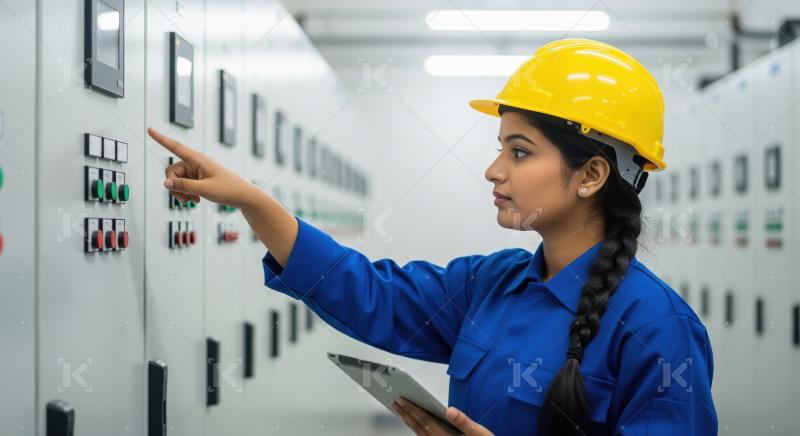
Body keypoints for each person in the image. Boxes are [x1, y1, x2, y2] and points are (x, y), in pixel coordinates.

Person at [149, 38, 718, 436]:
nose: (494, 170)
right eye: (500, 148)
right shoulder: (492, 282)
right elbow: (371, 293)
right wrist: (253, 199)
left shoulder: (656, 328)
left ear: (591, 174)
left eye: (519, 152)